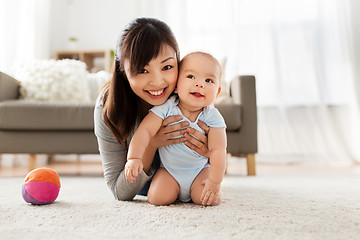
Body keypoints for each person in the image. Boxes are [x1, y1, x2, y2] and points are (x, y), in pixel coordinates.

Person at [94, 18, 210, 201]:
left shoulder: (192, 92)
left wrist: (209, 151)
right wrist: (151, 143)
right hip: (144, 186)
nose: (157, 82)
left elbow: (213, 157)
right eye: (142, 70)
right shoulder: (109, 107)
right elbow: (120, 192)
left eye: (167, 67)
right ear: (123, 69)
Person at [125, 52, 227, 206]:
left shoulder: (212, 116)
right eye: (191, 77)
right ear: (176, 86)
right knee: (157, 198)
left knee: (206, 199)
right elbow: (145, 131)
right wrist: (134, 158)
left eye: (208, 80)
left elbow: (219, 149)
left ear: (217, 92)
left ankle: (208, 190)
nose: (200, 84)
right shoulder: (167, 107)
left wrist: (214, 182)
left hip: (199, 170)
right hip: (169, 171)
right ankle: (175, 191)